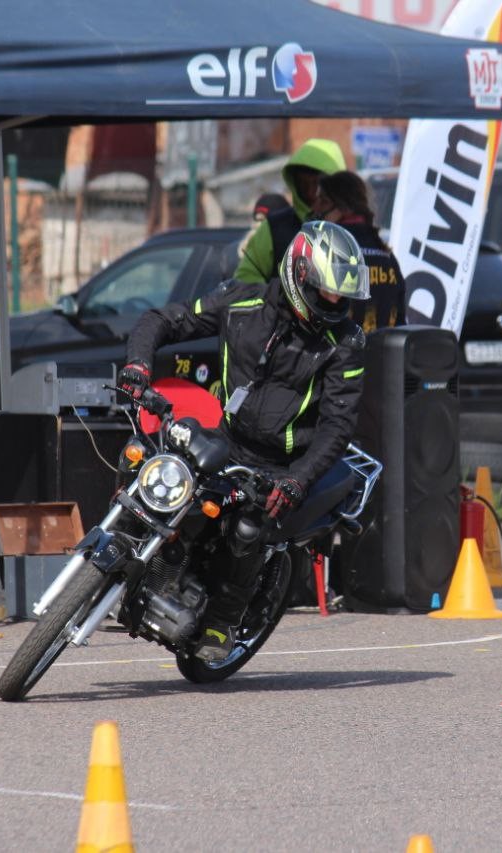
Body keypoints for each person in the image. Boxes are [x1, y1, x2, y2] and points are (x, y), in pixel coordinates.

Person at [120, 221, 370, 660]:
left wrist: (297, 480)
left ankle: (221, 624)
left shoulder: (345, 342)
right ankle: (134, 555)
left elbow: (337, 425)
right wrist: (138, 366)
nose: (334, 303)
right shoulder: (241, 300)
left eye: (341, 296)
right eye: (326, 292)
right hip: (228, 439)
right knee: (145, 460)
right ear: (299, 275)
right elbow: (161, 320)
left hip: (283, 464)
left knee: (249, 527)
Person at [234, 138, 346, 284]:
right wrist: (280, 294)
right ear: (294, 182)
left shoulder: (353, 227)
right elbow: (244, 281)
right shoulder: (274, 228)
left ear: (337, 184)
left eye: (317, 184)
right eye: (303, 184)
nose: (311, 192)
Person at [313, 170, 405, 332]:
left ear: (344, 207)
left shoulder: (329, 253)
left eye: (323, 201)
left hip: (343, 347)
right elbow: (400, 320)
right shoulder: (387, 255)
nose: (315, 208)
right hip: (383, 347)